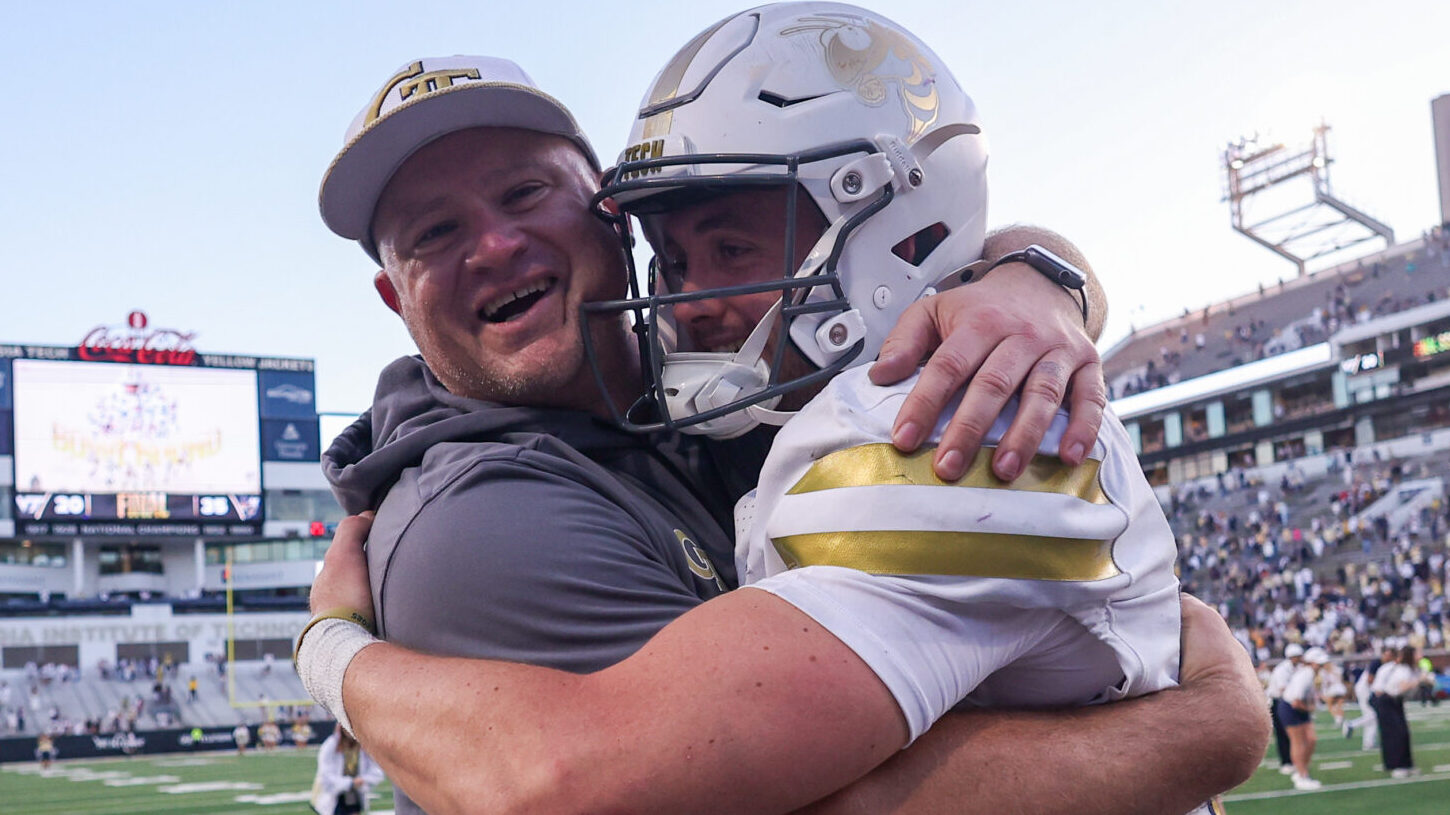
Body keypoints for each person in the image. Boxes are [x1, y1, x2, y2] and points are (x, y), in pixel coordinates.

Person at [302, 25, 1266, 815]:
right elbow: (599, 782)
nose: (496, 243)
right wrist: (1212, 725)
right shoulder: (482, 520)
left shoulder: (800, 403)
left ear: (604, 215)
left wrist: (1033, 272)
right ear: (397, 298)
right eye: (435, 233)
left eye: (524, 193)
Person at [1277, 646, 1330, 790]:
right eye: (1318, 663)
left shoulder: (1311, 674)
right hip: (1290, 708)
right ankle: (1302, 775)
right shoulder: (1306, 674)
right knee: (1298, 742)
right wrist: (1311, 709)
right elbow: (1296, 701)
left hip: (1299, 708)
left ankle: (1302, 770)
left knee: (1311, 739)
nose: (1321, 666)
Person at [1371, 644, 1421, 778]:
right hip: (1387, 700)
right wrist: (1419, 681)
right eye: (1417, 654)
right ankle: (1397, 766)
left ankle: (1406, 764)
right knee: (1395, 733)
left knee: (1403, 732)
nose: (1420, 657)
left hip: (1393, 701)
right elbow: (1401, 688)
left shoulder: (1407, 669)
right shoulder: (1402, 669)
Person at [311, 728, 386, 815]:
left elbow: (377, 770)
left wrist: (363, 779)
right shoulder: (331, 745)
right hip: (335, 795)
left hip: (355, 793)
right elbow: (325, 775)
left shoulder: (363, 745)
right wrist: (350, 782)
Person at [1266, 642, 1304, 773]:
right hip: (1278, 701)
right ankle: (1285, 762)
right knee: (1282, 733)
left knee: (1291, 732)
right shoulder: (1282, 670)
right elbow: (1283, 689)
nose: (1300, 658)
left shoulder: (1296, 668)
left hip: (1287, 700)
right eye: (1298, 656)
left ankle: (1293, 759)